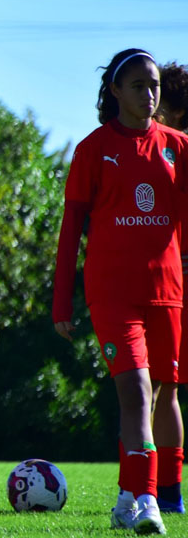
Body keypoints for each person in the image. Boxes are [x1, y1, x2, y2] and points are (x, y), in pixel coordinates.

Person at [53, 49, 188, 535]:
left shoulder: (178, 146)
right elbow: (71, 231)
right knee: (135, 391)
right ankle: (149, 499)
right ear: (115, 91)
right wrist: (61, 301)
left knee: (162, 393)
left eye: (154, 86)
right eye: (137, 85)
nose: (149, 95)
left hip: (167, 293)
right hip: (112, 293)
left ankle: (132, 495)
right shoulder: (93, 150)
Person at [153, 61, 188, 513]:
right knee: (163, 388)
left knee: (163, 388)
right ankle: (165, 492)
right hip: (170, 280)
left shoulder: (176, 153)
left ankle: (165, 490)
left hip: (175, 283)